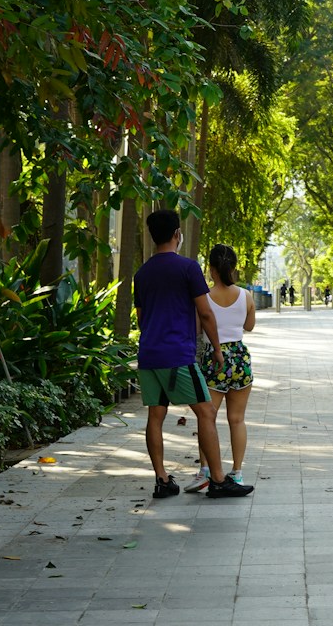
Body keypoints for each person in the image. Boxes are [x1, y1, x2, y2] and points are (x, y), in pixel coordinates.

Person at [133, 210, 253, 500]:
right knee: (206, 412)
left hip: (149, 354)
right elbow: (205, 313)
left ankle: (162, 480)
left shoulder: (142, 273)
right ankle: (219, 480)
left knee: (155, 416)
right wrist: (217, 351)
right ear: (177, 234)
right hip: (177, 355)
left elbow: (140, 318)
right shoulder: (188, 268)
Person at [182, 244, 257, 491]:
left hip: (214, 360)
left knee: (207, 417)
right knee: (237, 419)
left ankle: (205, 471)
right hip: (239, 358)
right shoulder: (246, 296)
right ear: (233, 268)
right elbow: (249, 326)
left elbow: (197, 330)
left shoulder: (203, 298)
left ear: (211, 269)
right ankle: (237, 472)